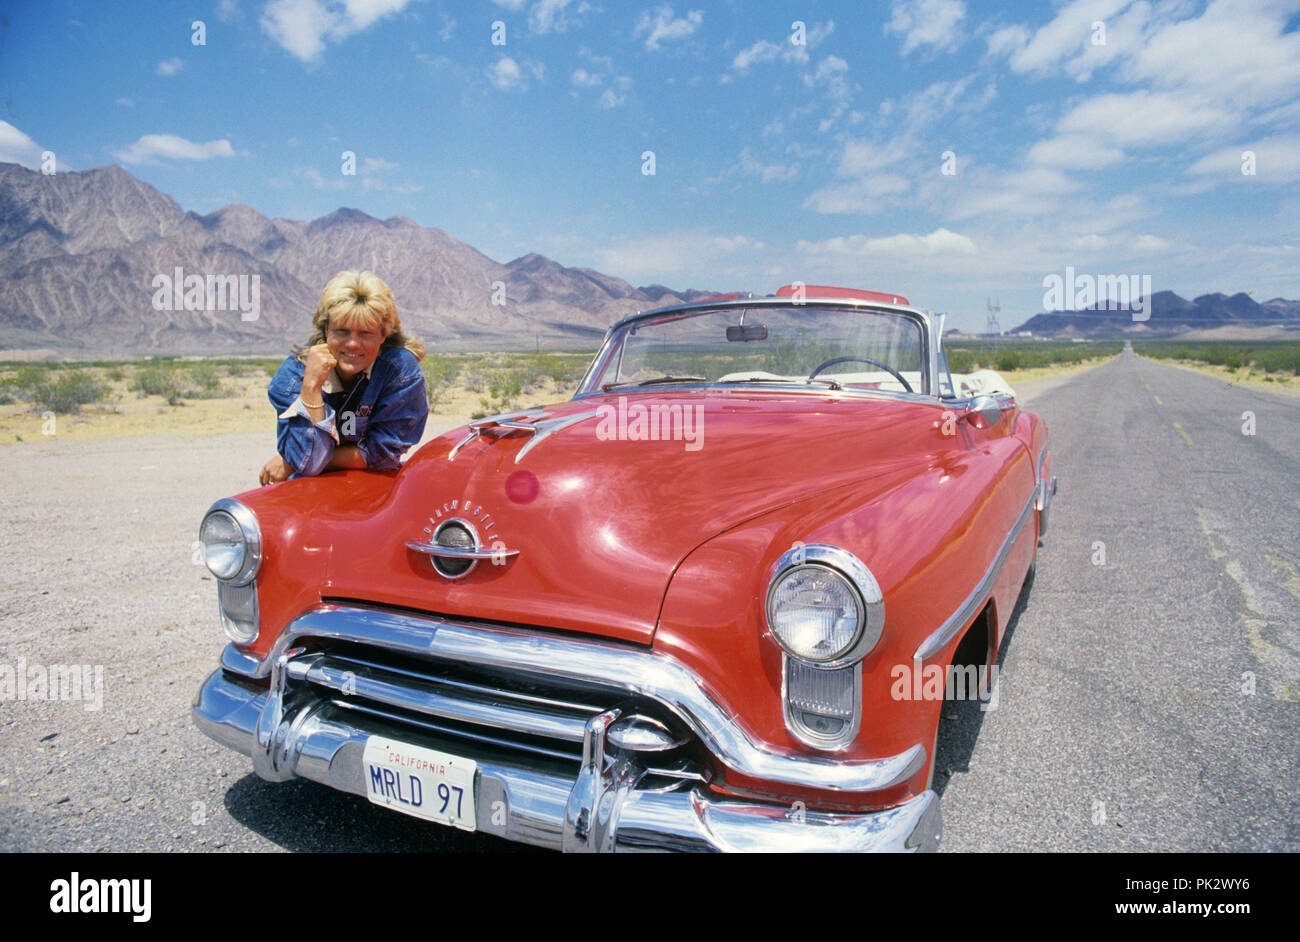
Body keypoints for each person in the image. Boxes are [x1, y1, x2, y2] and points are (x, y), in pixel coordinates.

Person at [259, 270, 428, 485]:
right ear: (325, 329)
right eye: (342, 331)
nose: (353, 344)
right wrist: (311, 388)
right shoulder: (293, 377)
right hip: (308, 489)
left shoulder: (400, 372)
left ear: (383, 335)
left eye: (365, 333)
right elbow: (308, 464)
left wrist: (292, 462)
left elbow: (382, 454)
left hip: (372, 485)